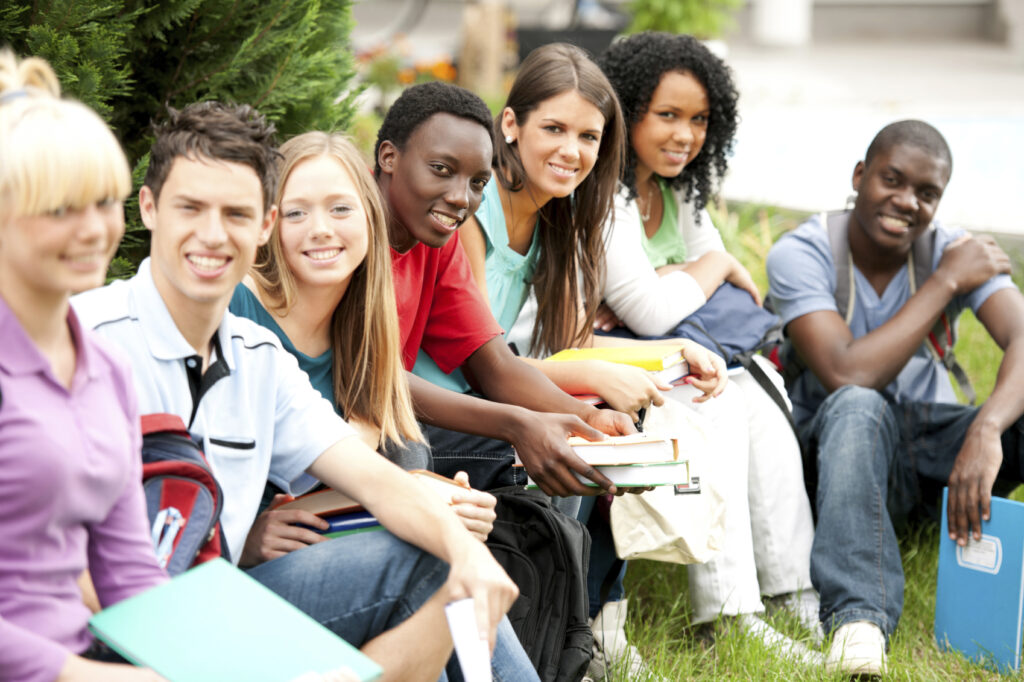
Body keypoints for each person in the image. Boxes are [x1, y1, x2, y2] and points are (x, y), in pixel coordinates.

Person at [71, 100, 535, 682]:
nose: (213, 235)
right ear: (148, 209)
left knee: (446, 560)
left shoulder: (257, 359)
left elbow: (379, 481)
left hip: (221, 604)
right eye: (191, 208)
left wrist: (466, 551)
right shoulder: (85, 339)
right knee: (428, 570)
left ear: (261, 225)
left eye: (237, 214)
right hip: (111, 629)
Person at [447, 42, 730, 680]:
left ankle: (574, 625)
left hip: (497, 397)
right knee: (578, 426)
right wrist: (588, 381)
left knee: (609, 424)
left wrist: (672, 353)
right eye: (553, 128)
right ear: (511, 126)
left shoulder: (557, 220)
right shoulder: (473, 213)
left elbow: (568, 342)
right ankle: (565, 634)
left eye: (588, 136)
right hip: (447, 414)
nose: (571, 150)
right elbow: (479, 366)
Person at [591, 30, 822, 664]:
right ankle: (727, 614)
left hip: (674, 354)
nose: (684, 135)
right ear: (628, 108)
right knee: (713, 400)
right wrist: (704, 267)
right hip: (610, 364)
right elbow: (651, 307)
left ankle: (791, 593)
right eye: (666, 115)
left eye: (698, 120)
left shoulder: (677, 188)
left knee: (761, 391)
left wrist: (688, 273)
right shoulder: (605, 196)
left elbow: (735, 289)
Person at [766, 119, 1024, 675]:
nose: (907, 202)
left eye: (927, 193)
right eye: (892, 180)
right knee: (859, 406)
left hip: (931, 451)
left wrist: (986, 430)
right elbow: (845, 373)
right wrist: (945, 284)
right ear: (860, 176)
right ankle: (859, 622)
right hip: (834, 456)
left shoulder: (952, 249)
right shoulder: (803, 252)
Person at [229, 130, 497, 549]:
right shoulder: (235, 309)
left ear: (371, 218)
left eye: (340, 209)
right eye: (296, 213)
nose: (320, 229)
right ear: (269, 225)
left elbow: (345, 466)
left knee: (412, 460)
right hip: (231, 552)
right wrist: (241, 539)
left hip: (312, 527)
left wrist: (442, 504)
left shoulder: (366, 321)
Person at [373, 80, 637, 503]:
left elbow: (493, 364)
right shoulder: (350, 233)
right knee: (415, 449)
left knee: (569, 445)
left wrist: (584, 419)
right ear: (389, 157)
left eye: (478, 183)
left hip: (400, 414)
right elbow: (374, 380)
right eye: (440, 169)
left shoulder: (437, 240)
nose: (461, 198)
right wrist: (518, 424)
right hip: (347, 424)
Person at [0, 50, 167, 682]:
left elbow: (127, 569)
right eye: (60, 209)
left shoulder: (108, 369)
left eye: (103, 202)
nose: (95, 229)